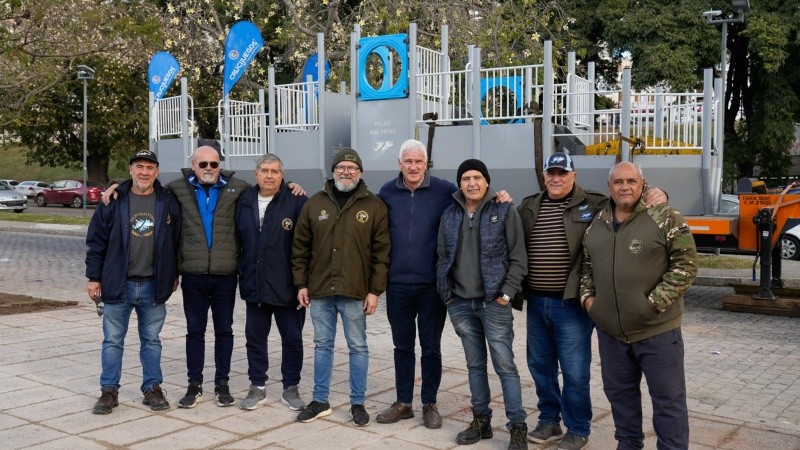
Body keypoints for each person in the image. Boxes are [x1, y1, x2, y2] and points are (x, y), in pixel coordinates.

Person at [517, 152, 666, 450]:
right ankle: (549, 419)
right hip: (536, 301)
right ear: (544, 175)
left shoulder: (595, 202)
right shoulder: (530, 205)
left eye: (562, 173)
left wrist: (659, 192)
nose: (556, 179)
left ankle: (578, 426)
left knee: (574, 370)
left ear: (574, 175)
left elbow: (628, 195)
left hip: (571, 304)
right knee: (540, 366)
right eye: (551, 173)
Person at [580, 161, 698, 450]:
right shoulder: (597, 223)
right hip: (612, 332)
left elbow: (687, 264)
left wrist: (653, 303)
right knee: (620, 396)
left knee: (668, 400)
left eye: (631, 181)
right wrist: (590, 302)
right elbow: (586, 267)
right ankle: (628, 444)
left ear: (642, 184)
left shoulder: (665, 216)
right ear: (609, 187)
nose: (625, 187)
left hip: (657, 330)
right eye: (618, 182)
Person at [292, 147, 390, 427]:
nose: (346, 172)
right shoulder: (314, 203)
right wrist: (301, 283)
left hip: (355, 292)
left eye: (352, 168)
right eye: (341, 167)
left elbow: (381, 253)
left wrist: (375, 291)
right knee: (322, 345)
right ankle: (320, 400)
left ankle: (358, 402)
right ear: (333, 171)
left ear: (360, 173)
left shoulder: (374, 205)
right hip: (320, 290)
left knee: (358, 347)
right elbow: (300, 248)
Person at [436, 159, 528, 450]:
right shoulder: (450, 214)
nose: (472, 183)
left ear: (487, 182)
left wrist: (506, 295)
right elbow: (442, 257)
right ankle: (481, 420)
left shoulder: (504, 210)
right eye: (466, 178)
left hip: (494, 303)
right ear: (459, 184)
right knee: (475, 365)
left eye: (477, 177)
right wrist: (447, 296)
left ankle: (517, 427)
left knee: (505, 366)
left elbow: (518, 258)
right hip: (461, 303)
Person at [85, 149, 181, 414]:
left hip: (153, 284)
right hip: (118, 283)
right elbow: (96, 242)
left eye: (150, 168)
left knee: (152, 340)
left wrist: (174, 273)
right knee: (113, 340)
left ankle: (152, 388)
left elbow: (176, 241)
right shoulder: (114, 200)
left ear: (157, 172)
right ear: (130, 170)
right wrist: (94, 277)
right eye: (139, 167)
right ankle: (108, 391)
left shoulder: (167, 201)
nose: (144, 172)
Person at [374, 139, 456, 428]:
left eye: (418, 161)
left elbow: (476, 197)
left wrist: (500, 196)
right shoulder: (386, 192)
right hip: (397, 284)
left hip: (431, 286)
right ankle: (403, 402)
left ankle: (429, 403)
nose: (413, 166)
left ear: (426, 163)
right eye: (407, 161)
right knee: (402, 346)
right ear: (399, 163)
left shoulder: (445, 190)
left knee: (431, 347)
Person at [235, 153, 308, 411]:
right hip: (255, 286)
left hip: (288, 287)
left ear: (282, 175)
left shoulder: (297, 200)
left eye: (274, 171)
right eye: (264, 170)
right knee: (255, 338)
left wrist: (303, 284)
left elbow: (307, 244)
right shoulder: (243, 200)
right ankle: (258, 386)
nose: (269, 175)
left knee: (292, 339)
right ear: (255, 174)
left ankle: (291, 388)